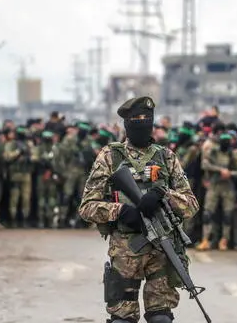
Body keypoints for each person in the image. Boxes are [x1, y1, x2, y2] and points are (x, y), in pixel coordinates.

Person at [78, 96, 199, 323]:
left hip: (162, 250)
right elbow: (87, 207)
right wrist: (120, 211)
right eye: (136, 120)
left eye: (146, 120)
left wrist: (163, 194)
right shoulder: (110, 157)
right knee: (122, 319)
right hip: (125, 251)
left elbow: (191, 204)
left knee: (161, 318)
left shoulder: (166, 157)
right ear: (126, 124)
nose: (142, 124)